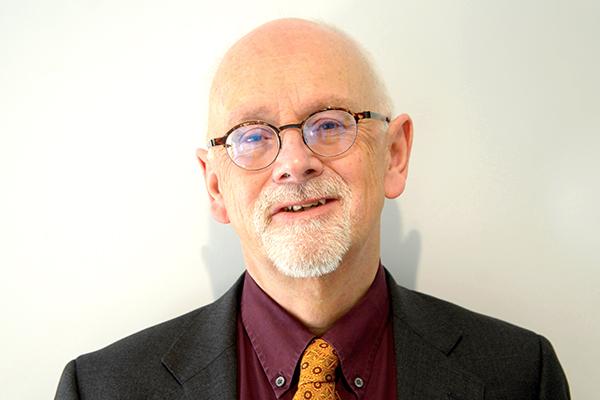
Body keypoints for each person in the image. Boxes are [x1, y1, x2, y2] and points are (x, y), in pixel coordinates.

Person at [55, 18, 570, 400]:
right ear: (215, 186)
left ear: (394, 155)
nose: (294, 163)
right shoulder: (100, 389)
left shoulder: (522, 376)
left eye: (329, 124)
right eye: (252, 136)